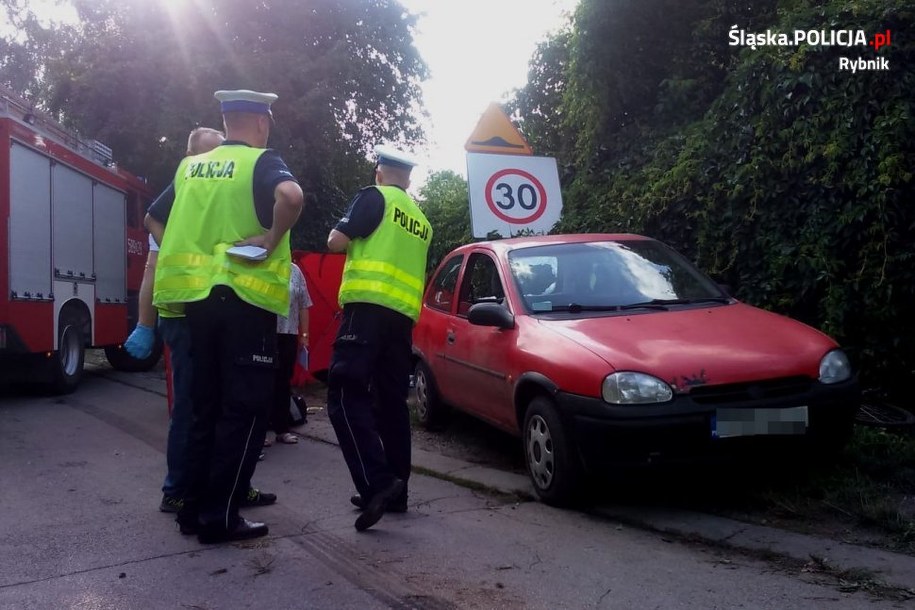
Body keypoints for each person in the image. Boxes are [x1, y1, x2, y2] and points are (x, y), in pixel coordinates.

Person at [146, 89, 304, 544]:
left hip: (195, 302)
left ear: (226, 119)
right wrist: (272, 240)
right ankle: (222, 516)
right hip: (243, 300)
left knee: (204, 408)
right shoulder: (259, 161)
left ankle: (192, 511)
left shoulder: (189, 168)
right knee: (245, 410)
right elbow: (291, 196)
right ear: (260, 123)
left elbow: (157, 220)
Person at [129, 127, 276, 515]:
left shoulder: (213, 180)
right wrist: (146, 323)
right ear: (195, 155)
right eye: (215, 148)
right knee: (196, 404)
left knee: (218, 401)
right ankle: (180, 490)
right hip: (185, 305)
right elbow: (151, 221)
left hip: (206, 301)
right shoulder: (192, 174)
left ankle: (224, 488)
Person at [326, 144, 433, 532]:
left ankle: (377, 483)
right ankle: (398, 492)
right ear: (409, 177)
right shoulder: (421, 220)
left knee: (343, 394)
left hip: (366, 311)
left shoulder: (374, 198)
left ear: (379, 172)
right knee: (391, 404)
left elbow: (335, 242)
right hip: (401, 320)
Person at [269, 261, 313, 445]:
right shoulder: (264, 265)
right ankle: (259, 431)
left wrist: (304, 335)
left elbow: (304, 304)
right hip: (266, 332)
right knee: (262, 382)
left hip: (289, 333)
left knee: (282, 382)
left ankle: (282, 429)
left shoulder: (295, 271)